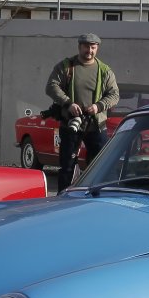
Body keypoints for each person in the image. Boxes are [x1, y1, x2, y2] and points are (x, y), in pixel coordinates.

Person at [45, 32, 119, 191]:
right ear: (79, 47)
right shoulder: (66, 66)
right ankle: (63, 198)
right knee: (67, 166)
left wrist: (98, 106)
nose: (89, 51)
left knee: (100, 167)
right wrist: (68, 103)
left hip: (96, 126)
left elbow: (114, 95)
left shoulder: (104, 70)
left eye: (93, 47)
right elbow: (51, 86)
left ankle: (97, 199)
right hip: (70, 125)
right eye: (86, 47)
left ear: (97, 48)